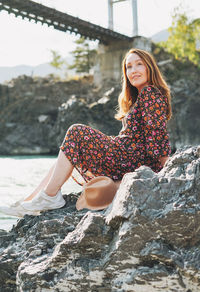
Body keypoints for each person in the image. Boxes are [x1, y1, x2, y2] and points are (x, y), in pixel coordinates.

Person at [0, 48, 172, 217]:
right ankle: (30, 201)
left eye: (139, 64)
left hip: (130, 159)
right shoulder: (141, 97)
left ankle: (48, 196)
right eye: (128, 67)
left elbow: (157, 135)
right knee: (67, 151)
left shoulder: (151, 93)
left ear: (149, 67)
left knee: (76, 132)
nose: (133, 70)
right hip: (126, 156)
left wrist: (167, 170)